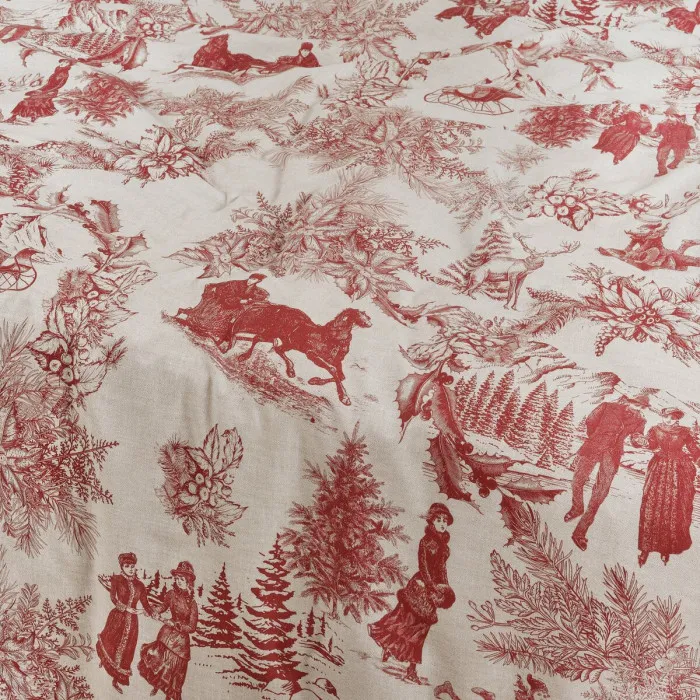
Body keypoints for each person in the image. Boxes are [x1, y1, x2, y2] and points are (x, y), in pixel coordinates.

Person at [369, 503, 455, 684]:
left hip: (433, 592)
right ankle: (389, 647)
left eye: (445, 521)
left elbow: (443, 569)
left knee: (420, 631)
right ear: (431, 521)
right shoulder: (425, 541)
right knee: (404, 622)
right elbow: (423, 566)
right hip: (420, 587)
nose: (442, 523)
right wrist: (430, 586)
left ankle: (411, 669)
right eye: (439, 520)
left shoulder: (445, 547)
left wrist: (445, 588)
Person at [564, 394, 649, 551]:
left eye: (641, 406)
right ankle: (577, 508)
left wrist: (639, 440)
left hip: (613, 454)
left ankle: (580, 532)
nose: (637, 408)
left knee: (601, 492)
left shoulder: (640, 420)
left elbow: (636, 438)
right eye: (636, 404)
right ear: (630, 401)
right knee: (577, 480)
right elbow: (590, 421)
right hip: (593, 446)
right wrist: (596, 437)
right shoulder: (607, 406)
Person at [637, 408, 700, 566]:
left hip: (678, 472)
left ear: (677, 418)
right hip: (658, 469)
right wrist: (642, 441)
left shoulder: (684, 432)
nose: (669, 419)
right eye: (666, 416)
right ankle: (645, 548)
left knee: (672, 508)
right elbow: (651, 444)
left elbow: (694, 450)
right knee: (651, 505)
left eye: (672, 417)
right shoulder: (655, 429)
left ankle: (666, 549)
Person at [138, 561, 199, 700]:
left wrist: (177, 625)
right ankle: (158, 686)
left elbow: (192, 627)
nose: (178, 581)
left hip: (180, 644)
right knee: (157, 662)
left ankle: (170, 695)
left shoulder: (192, 603)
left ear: (188, 582)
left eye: (181, 579)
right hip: (166, 636)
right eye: (177, 579)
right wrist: (152, 610)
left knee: (175, 674)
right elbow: (163, 607)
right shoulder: (171, 594)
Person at [96, 553, 154, 694]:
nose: (130, 569)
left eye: (132, 566)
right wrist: (126, 608)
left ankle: (116, 680)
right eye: (127, 566)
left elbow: (145, 604)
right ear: (122, 567)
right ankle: (104, 661)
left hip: (132, 622)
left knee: (127, 651)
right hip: (117, 617)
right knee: (111, 642)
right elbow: (113, 598)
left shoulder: (140, 585)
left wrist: (150, 612)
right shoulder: (116, 579)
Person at [176, 273, 269, 350]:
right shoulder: (236, 284)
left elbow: (263, 294)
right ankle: (209, 332)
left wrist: (253, 299)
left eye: (254, 280)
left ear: (258, 281)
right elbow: (225, 294)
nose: (250, 281)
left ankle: (222, 337)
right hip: (224, 302)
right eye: (250, 278)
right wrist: (239, 300)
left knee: (239, 316)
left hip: (235, 306)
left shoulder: (254, 289)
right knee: (221, 315)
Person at [7, 59, 73, 123]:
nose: (62, 63)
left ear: (68, 65)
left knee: (33, 101)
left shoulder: (65, 74)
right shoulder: (56, 72)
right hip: (46, 90)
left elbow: (59, 86)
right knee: (31, 100)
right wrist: (39, 90)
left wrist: (46, 91)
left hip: (51, 92)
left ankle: (23, 116)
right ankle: (19, 116)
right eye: (62, 61)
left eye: (65, 62)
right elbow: (48, 84)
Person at [652, 107, 696, 177]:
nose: (669, 118)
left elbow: (691, 136)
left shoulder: (686, 127)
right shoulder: (661, 125)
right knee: (660, 156)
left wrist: (685, 142)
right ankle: (662, 171)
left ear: (677, 117)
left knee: (680, 156)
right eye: (667, 116)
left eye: (672, 116)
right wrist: (652, 134)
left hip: (679, 143)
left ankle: (673, 165)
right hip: (666, 142)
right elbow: (656, 133)